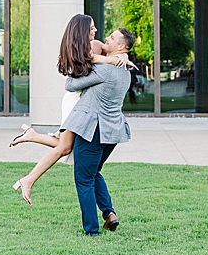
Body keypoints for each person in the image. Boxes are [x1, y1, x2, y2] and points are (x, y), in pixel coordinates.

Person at [10, 15, 129, 206]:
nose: (96, 30)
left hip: (84, 99)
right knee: (65, 147)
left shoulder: (96, 44)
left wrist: (122, 55)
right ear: (82, 30)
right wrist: (113, 60)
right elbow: (90, 60)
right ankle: (29, 178)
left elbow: (113, 50)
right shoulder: (84, 49)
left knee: (66, 147)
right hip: (77, 101)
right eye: (92, 27)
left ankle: (32, 143)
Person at [61, 27, 134, 235]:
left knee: (83, 178)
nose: (106, 39)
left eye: (112, 38)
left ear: (120, 46)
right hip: (112, 133)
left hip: (93, 130)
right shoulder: (126, 71)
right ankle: (109, 214)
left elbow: (70, 84)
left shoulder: (103, 70)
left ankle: (92, 230)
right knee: (93, 173)